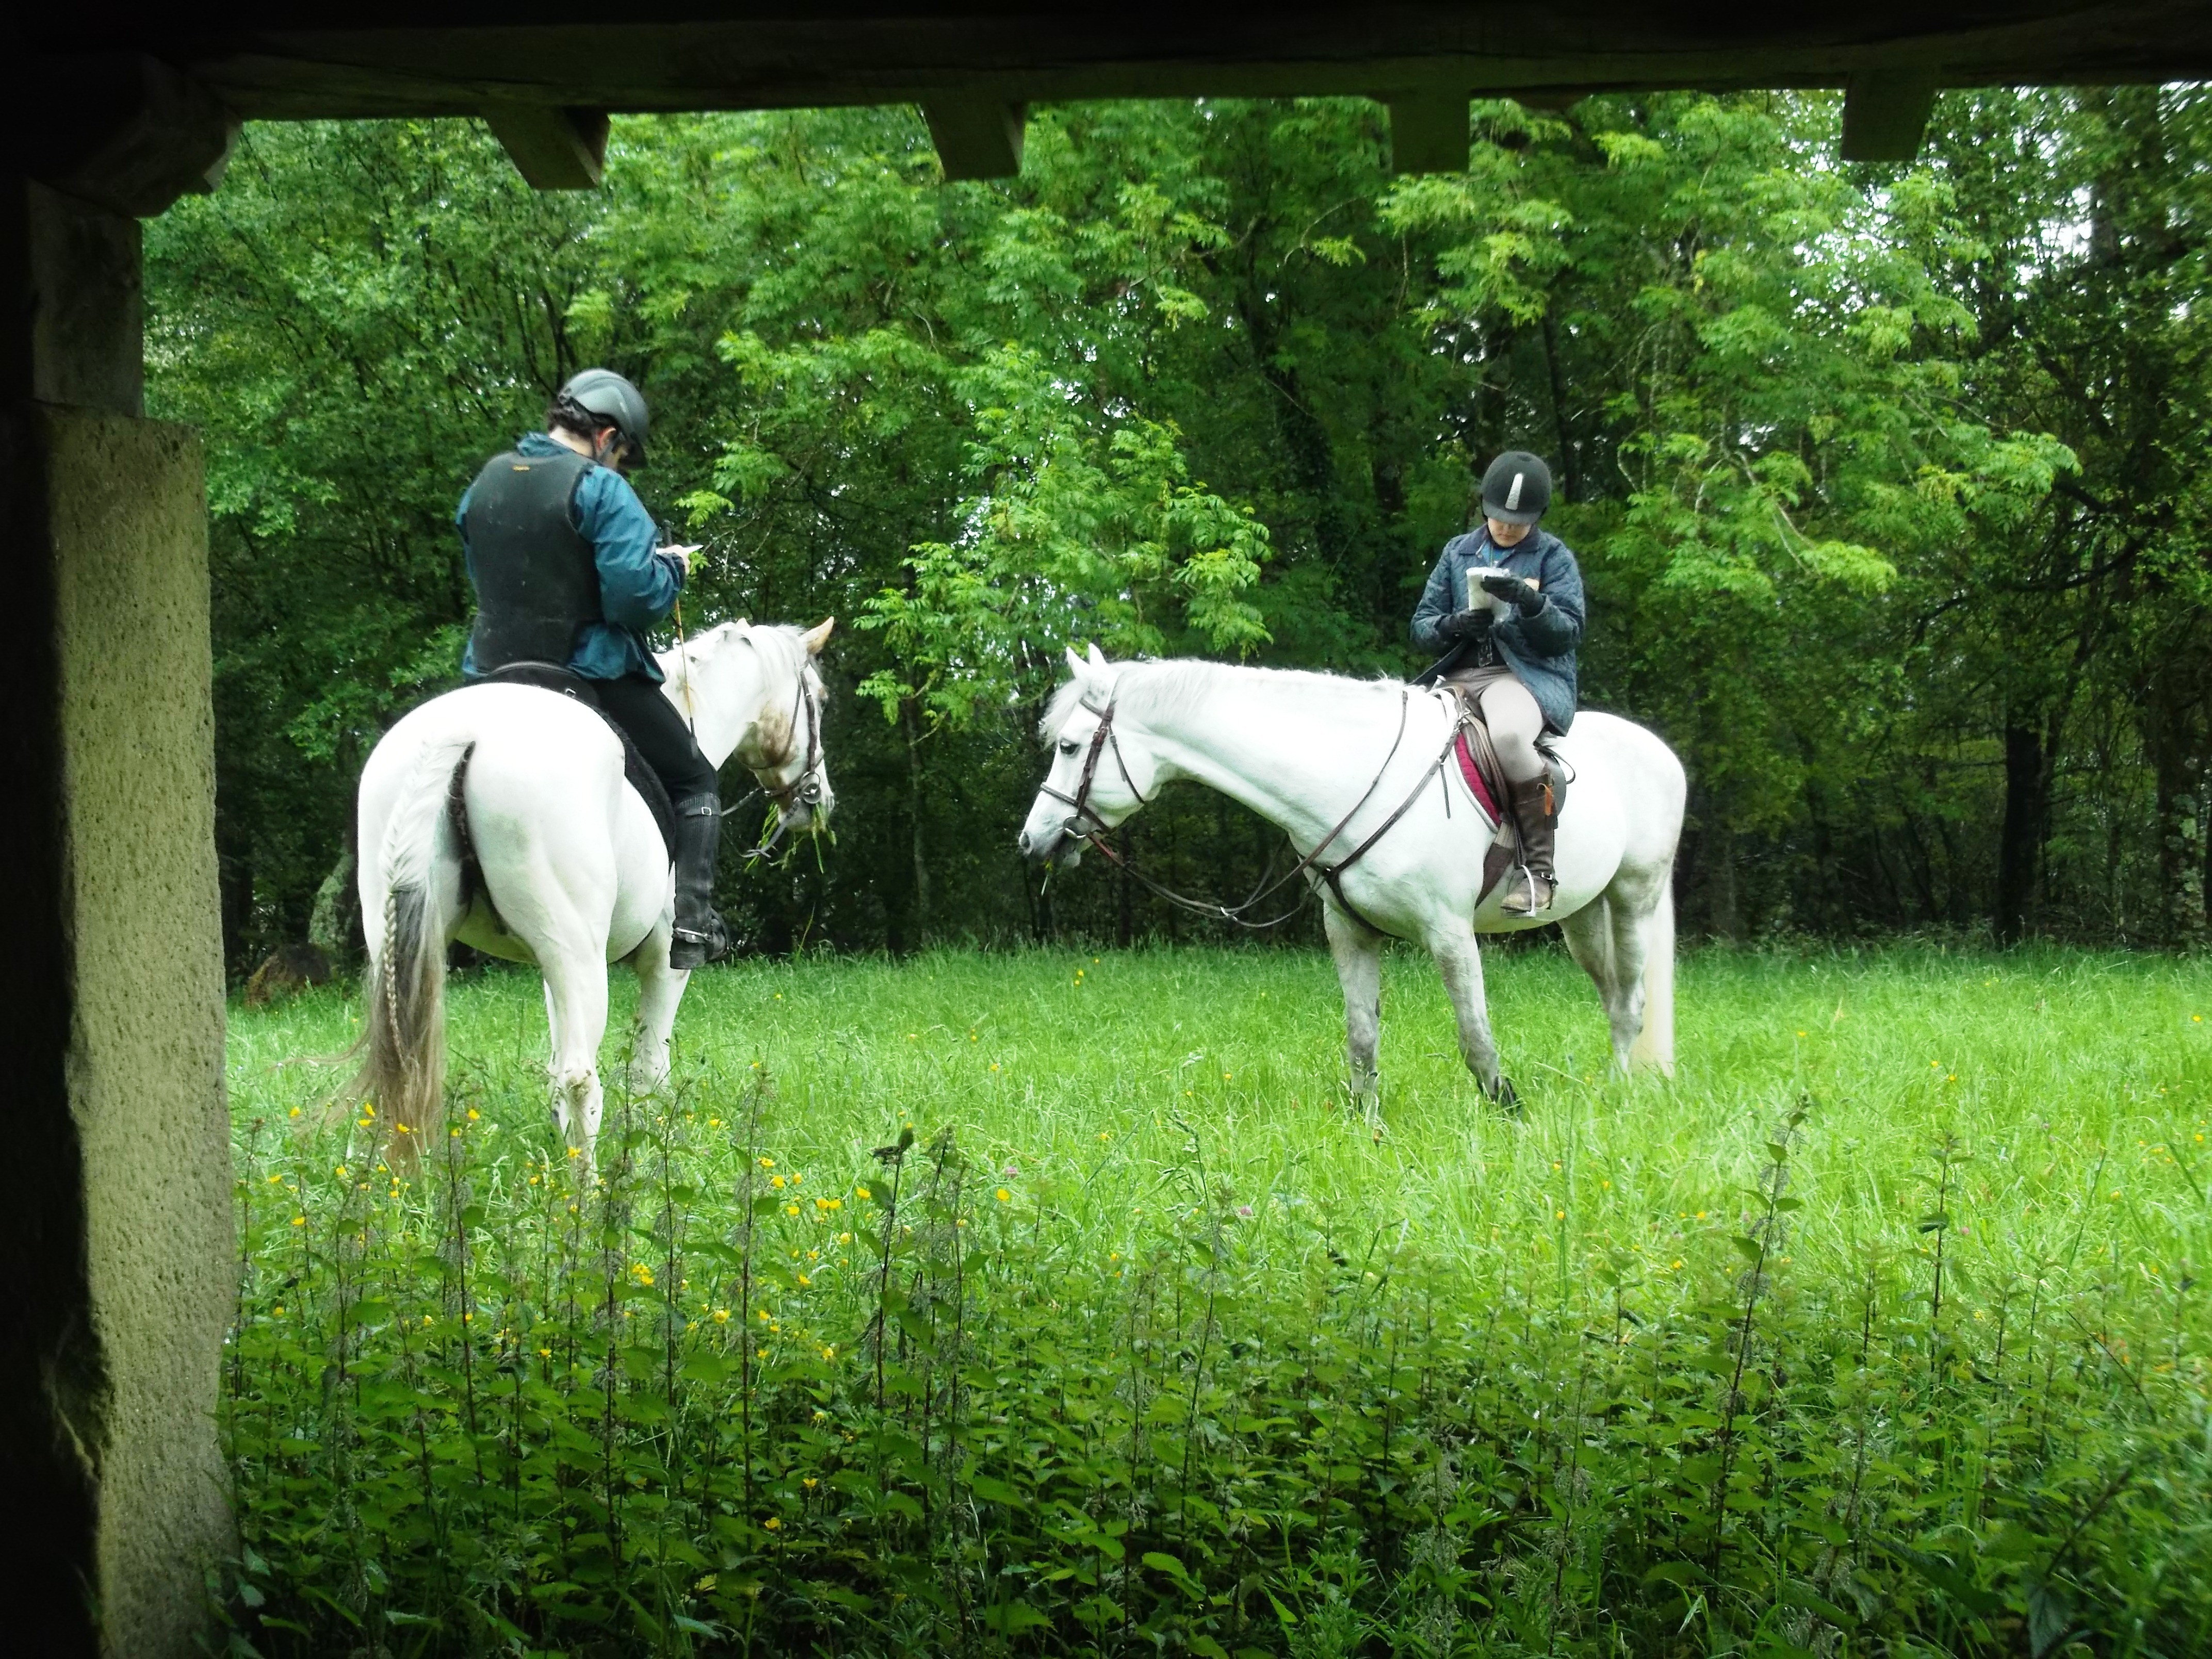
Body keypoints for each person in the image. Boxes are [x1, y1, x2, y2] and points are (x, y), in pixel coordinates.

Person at [456, 367, 730, 968]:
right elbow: (632, 598)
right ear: (605, 435)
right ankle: (693, 925)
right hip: (585, 675)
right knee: (695, 779)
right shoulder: (601, 491)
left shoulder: (485, 484)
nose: (619, 466)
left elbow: (489, 575)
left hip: (490, 676)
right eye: (622, 454)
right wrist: (673, 570)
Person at [1410, 450, 1586, 915]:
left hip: (1522, 677)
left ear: (1538, 516)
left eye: (1518, 521)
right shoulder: (1457, 551)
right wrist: (1453, 625)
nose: (1506, 527)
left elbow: (1568, 634)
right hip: (1460, 675)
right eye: (1498, 517)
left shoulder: (1555, 558)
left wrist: (1531, 604)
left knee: (1509, 737)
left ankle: (1538, 872)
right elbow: (1421, 626)